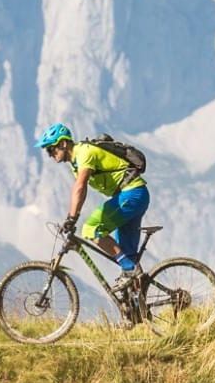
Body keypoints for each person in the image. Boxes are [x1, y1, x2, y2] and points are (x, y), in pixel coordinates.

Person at [34, 123, 149, 296]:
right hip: (133, 195)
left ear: (63, 144)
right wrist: (72, 217)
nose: (50, 155)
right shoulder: (76, 162)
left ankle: (131, 271)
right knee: (126, 256)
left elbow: (80, 187)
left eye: (51, 149)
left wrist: (72, 218)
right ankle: (137, 312)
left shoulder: (84, 153)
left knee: (91, 228)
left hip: (132, 194)